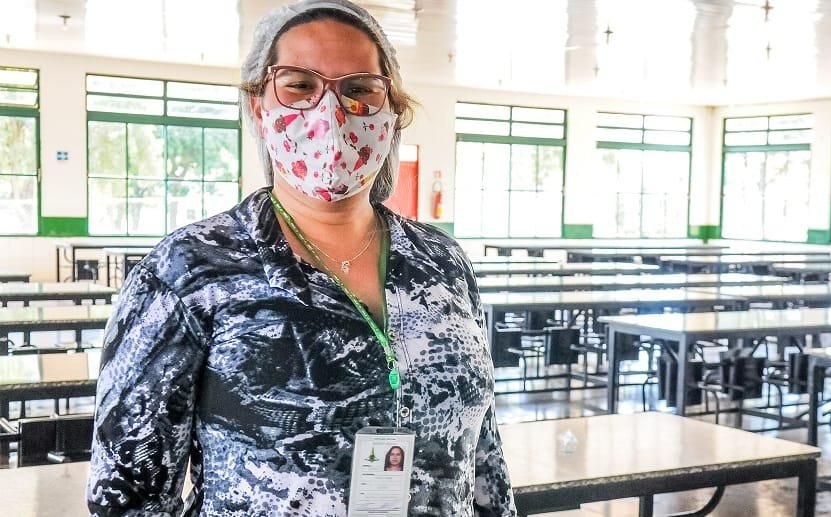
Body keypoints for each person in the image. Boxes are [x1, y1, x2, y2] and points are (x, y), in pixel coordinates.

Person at [85, 1, 516, 515]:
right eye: (299, 85)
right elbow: (128, 497)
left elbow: (484, 458)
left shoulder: (441, 262)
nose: (330, 111)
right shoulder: (188, 271)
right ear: (258, 106)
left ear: (393, 110)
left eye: (360, 89)